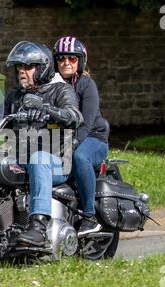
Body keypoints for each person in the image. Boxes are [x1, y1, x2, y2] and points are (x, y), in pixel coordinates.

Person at [4, 41, 83, 246]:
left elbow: (74, 115)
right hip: (21, 158)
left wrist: (49, 111)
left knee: (39, 158)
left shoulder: (60, 91)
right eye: (19, 67)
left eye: (28, 67)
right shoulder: (14, 97)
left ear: (42, 68)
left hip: (56, 160)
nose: (22, 71)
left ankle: (38, 227)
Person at [53, 36, 109, 236]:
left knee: (79, 157)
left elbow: (87, 121)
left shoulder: (86, 85)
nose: (66, 62)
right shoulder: (52, 85)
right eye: (61, 58)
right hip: (62, 138)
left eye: (72, 58)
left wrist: (73, 144)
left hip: (92, 137)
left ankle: (89, 216)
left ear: (81, 61)